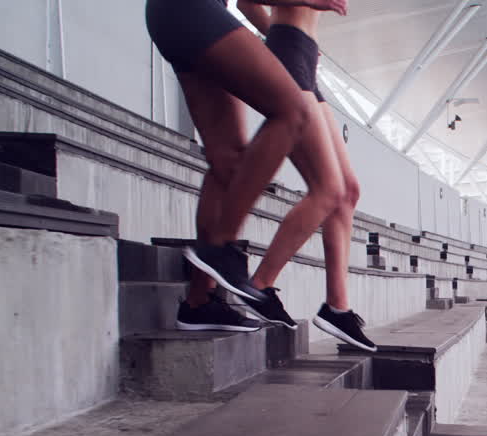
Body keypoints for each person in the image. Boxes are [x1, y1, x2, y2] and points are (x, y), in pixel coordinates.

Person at [143, 0, 346, 333]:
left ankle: (198, 304)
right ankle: (220, 246)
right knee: (294, 111)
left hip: (177, 17)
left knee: (228, 161)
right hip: (190, 10)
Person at [235, 1, 376, 351]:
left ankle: (337, 308)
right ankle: (259, 285)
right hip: (289, 52)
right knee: (328, 190)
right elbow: (246, 2)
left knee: (348, 191)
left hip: (304, 56)